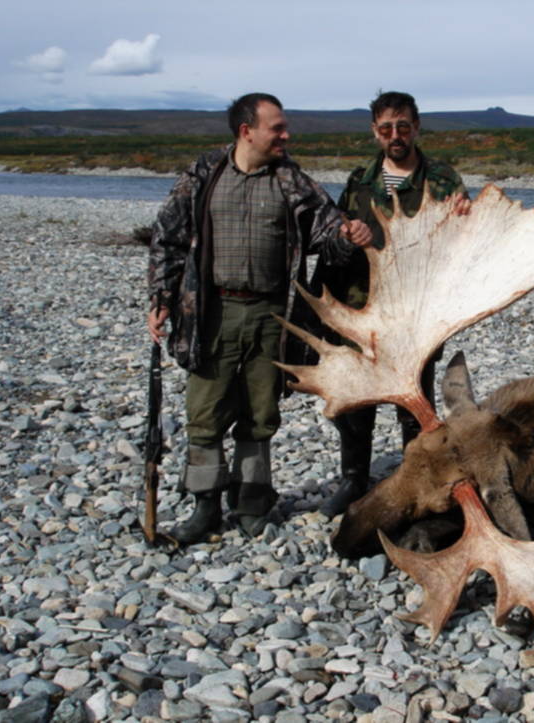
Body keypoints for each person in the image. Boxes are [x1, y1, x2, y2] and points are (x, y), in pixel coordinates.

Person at [147, 92, 371, 545]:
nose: (286, 136)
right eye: (278, 128)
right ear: (246, 131)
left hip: (273, 315)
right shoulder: (204, 174)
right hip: (211, 313)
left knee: (260, 413)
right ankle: (205, 507)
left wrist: (349, 235)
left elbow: (328, 233)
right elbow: (167, 237)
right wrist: (162, 297)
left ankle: (251, 502)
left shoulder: (291, 180)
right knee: (205, 413)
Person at [311, 90, 471, 518]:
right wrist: (347, 236)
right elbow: (334, 240)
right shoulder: (358, 181)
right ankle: (353, 481)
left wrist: (464, 217)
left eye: (403, 127)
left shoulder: (442, 180)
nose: (395, 136)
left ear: (416, 127)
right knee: (359, 399)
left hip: (416, 313)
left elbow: (463, 245)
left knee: (413, 402)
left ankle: (415, 482)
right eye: (386, 129)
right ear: (375, 132)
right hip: (363, 311)